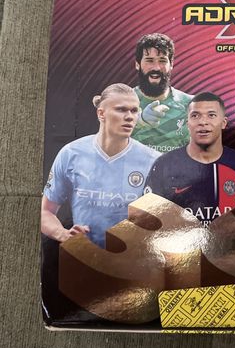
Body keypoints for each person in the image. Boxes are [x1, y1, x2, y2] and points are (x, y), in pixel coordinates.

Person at [41, 84, 160, 248]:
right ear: (101, 113)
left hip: (134, 259)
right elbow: (46, 211)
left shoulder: (154, 161)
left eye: (134, 111)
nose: (129, 117)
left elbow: (166, 222)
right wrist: (64, 235)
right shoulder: (71, 153)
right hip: (83, 257)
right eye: (121, 110)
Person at [145, 92, 235, 225]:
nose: (203, 122)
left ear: (223, 123)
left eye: (211, 115)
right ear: (187, 123)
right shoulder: (164, 165)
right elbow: (149, 221)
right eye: (195, 115)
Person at [132, 33, 193, 152]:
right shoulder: (121, 101)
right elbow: (108, 141)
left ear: (171, 65)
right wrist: (139, 120)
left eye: (162, 60)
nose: (156, 67)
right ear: (137, 64)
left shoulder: (191, 105)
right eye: (149, 60)